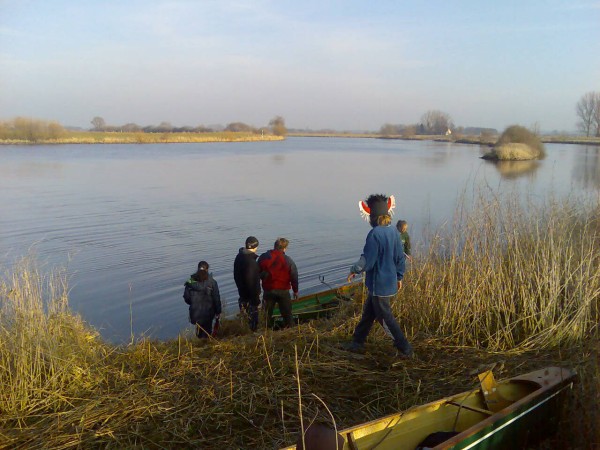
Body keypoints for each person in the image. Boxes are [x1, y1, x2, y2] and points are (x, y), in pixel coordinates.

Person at [345, 194, 414, 358]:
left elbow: (368, 260)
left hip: (379, 284)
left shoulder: (375, 234)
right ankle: (357, 342)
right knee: (368, 314)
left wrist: (354, 269)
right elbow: (400, 258)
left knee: (385, 318)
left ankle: (405, 348)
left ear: (372, 217)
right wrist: (399, 277)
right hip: (388, 282)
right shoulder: (394, 233)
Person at [258, 237, 299, 329]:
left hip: (268, 290)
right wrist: (295, 291)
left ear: (274, 246)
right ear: (285, 248)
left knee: (266, 315)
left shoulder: (263, 257)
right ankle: (290, 331)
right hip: (283, 291)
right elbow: (294, 276)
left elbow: (257, 273)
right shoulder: (288, 260)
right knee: (287, 315)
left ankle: (265, 332)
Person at [183, 260, 222, 338]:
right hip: (208, 313)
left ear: (198, 269)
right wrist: (218, 312)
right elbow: (216, 298)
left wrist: (194, 303)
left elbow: (186, 298)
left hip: (195, 313)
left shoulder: (190, 282)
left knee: (199, 331)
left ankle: (200, 342)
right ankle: (206, 344)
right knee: (207, 332)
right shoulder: (212, 282)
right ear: (207, 269)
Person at [233, 236, 261, 331]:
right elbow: (252, 283)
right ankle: (252, 336)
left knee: (244, 319)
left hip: (242, 294)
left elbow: (236, 275)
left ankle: (244, 333)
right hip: (251, 298)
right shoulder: (251, 262)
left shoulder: (239, 257)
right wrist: (256, 299)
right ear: (255, 247)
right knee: (253, 322)